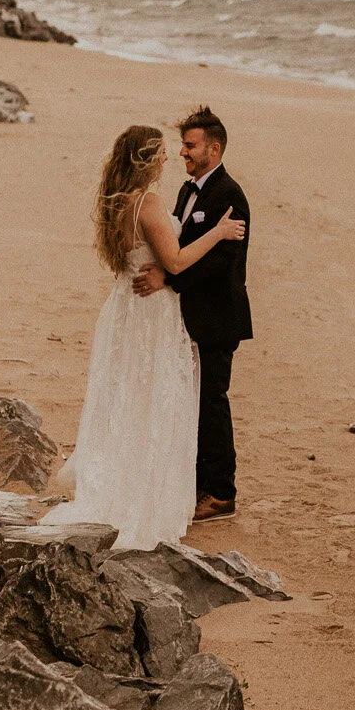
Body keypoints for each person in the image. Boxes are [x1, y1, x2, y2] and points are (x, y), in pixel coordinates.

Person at [42, 124, 245, 547]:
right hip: (150, 315)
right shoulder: (148, 203)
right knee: (156, 397)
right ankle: (150, 491)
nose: (172, 157)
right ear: (146, 160)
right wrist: (219, 232)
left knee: (131, 397)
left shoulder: (117, 203)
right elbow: (174, 260)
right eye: (163, 153)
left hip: (126, 312)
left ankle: (143, 478)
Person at [134, 106, 251, 522]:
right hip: (190, 317)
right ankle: (198, 484)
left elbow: (222, 261)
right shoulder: (187, 192)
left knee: (212, 403)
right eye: (183, 145)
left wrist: (170, 276)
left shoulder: (230, 195)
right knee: (194, 402)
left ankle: (221, 493)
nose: (182, 152)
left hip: (219, 317)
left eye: (190, 145)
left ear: (213, 148)